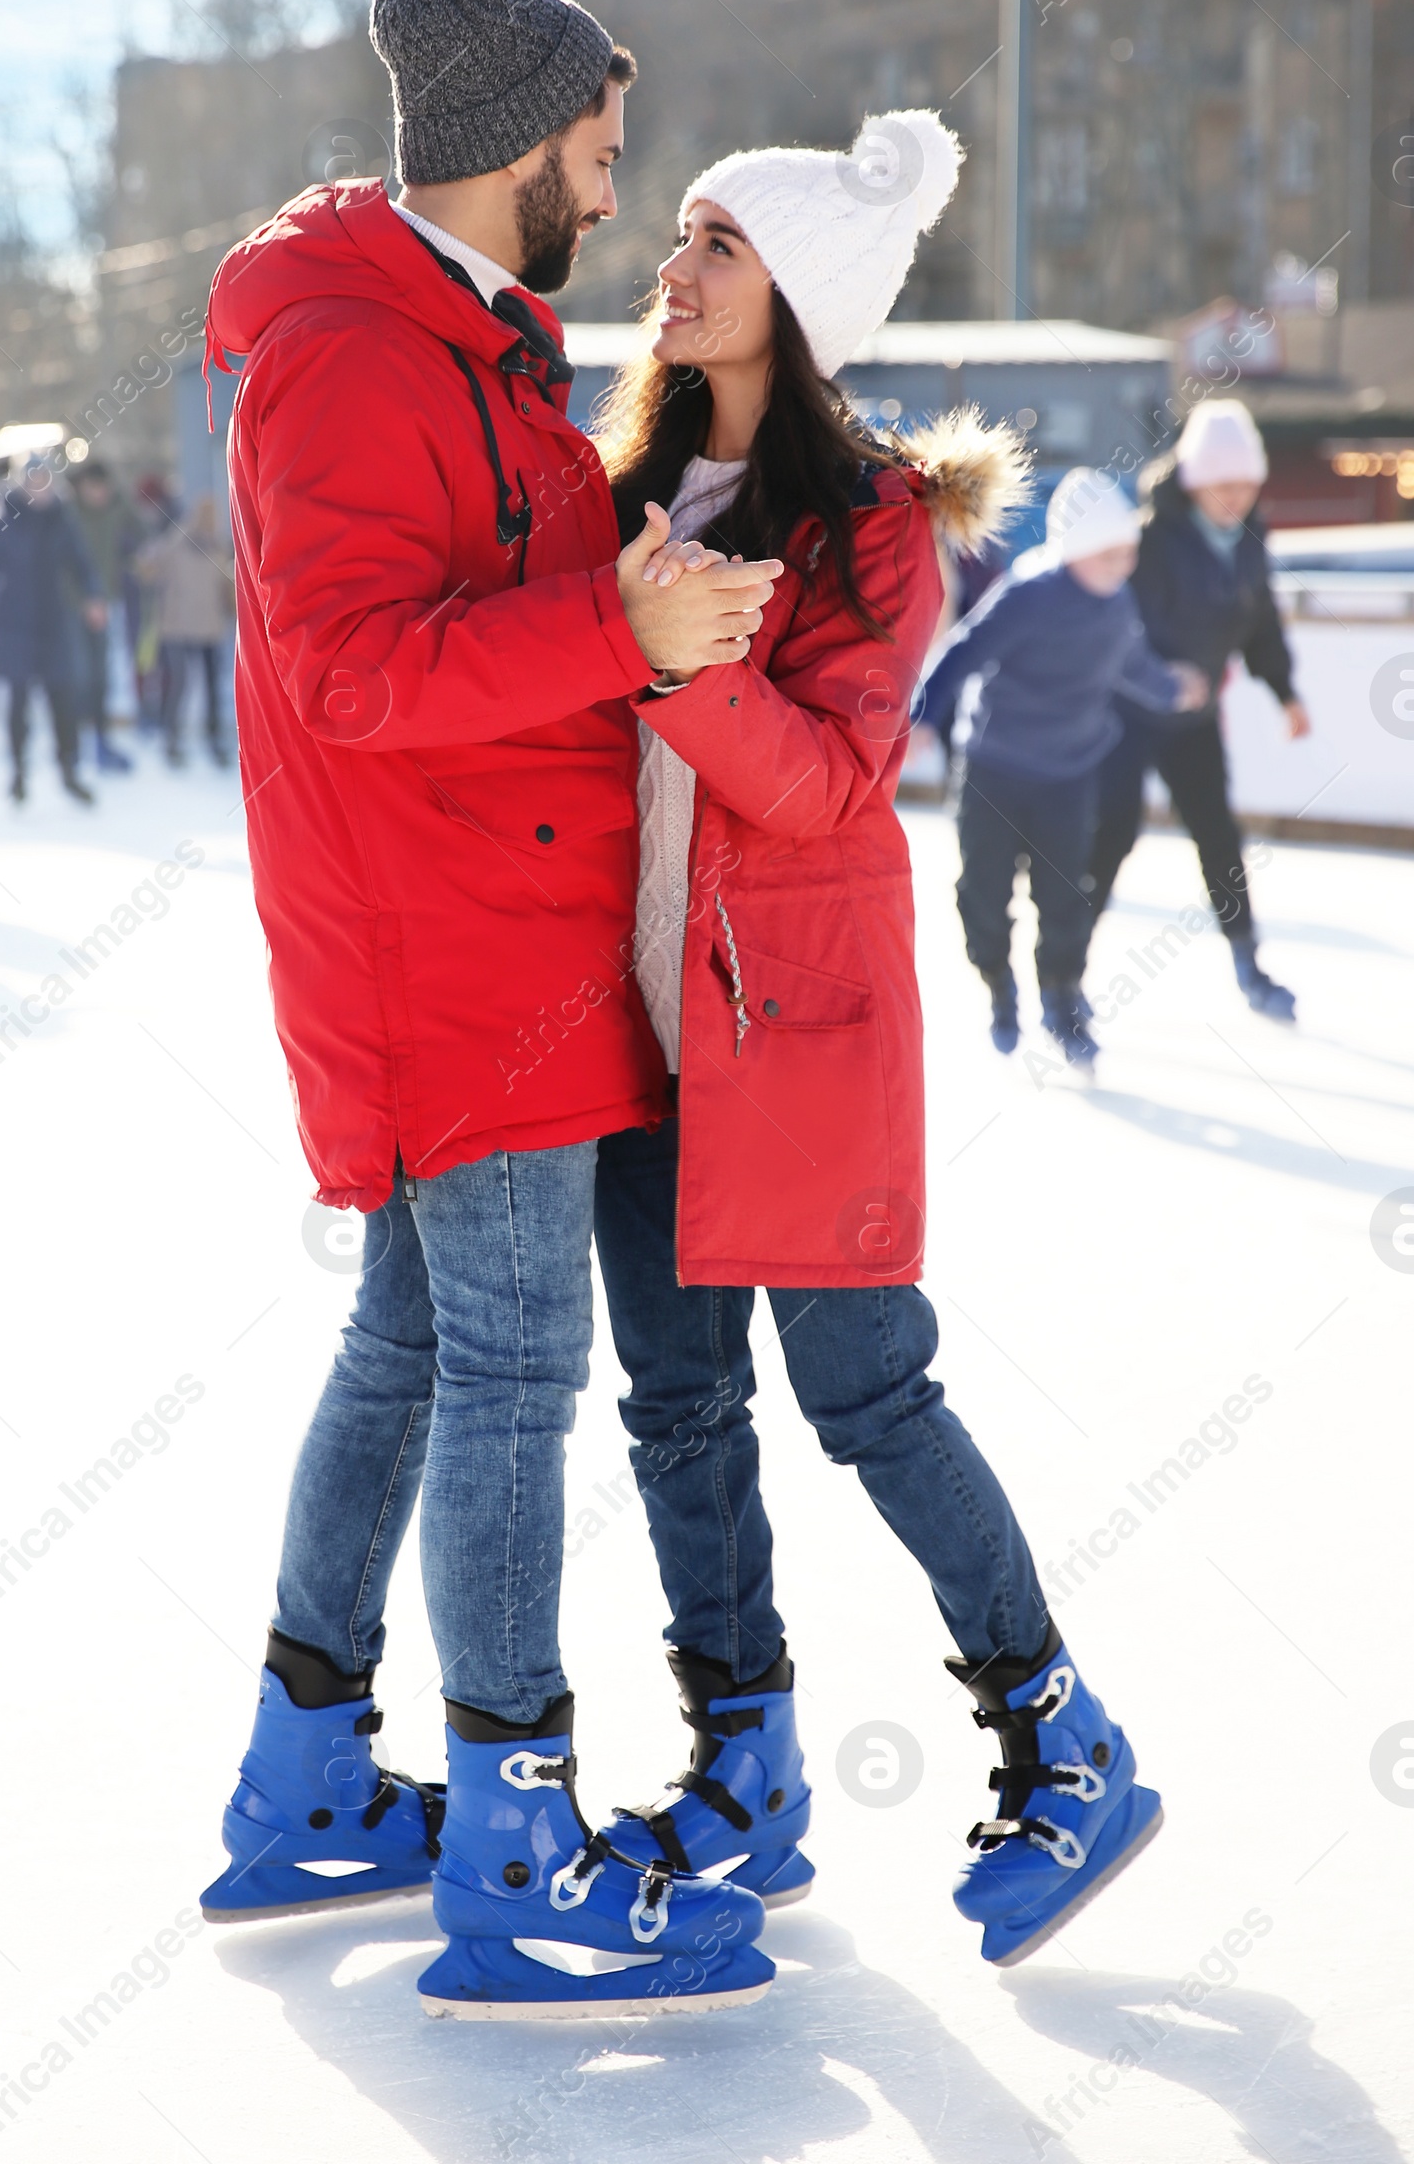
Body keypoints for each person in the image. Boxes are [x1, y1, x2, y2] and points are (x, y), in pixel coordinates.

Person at [201, 0, 788, 2020]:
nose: (612, 196)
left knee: (407, 1355)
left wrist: (630, 606)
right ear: (517, 148)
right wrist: (622, 629)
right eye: (600, 157)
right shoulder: (360, 357)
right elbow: (358, 671)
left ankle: (304, 1781)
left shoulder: (456, 341)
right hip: (449, 954)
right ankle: (520, 1841)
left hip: (491, 925)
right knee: (515, 1376)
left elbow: (489, 616)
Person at [584, 121, 1163, 1970]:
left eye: (719, 244)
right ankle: (743, 1764)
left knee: (872, 1401)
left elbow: (833, 783)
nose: (675, 268)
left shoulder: (873, 527)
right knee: (677, 1414)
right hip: (638, 1043)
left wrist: (686, 660)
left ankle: (1060, 1739)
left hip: (800, 1043)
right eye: (675, 233)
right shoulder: (627, 491)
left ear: (802, 302)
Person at [916, 468, 1207, 1064]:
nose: (1121, 565)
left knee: (1066, 897)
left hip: (1070, 775)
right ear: (1075, 548)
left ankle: (1061, 997)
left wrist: (1175, 690)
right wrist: (921, 718)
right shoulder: (1028, 595)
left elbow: (1133, 665)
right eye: (1108, 553)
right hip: (994, 771)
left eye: (1128, 552)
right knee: (984, 894)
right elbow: (963, 652)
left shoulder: (1117, 604)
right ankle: (998, 983)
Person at [1087, 398, 1308, 1019]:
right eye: (1223, 484)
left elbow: (1261, 621)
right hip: (1127, 714)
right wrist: (1162, 677)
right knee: (1112, 834)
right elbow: (1122, 624)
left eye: (1246, 483)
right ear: (1195, 481)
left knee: (1218, 835)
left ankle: (1248, 963)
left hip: (1195, 717)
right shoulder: (1152, 536)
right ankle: (1065, 972)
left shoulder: (1249, 538)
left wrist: (1285, 691)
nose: (1236, 497)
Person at [0, 461, 101, 804]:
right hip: (14, 624)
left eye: (45, 482)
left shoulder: (62, 520)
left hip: (54, 622)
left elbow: (82, 564)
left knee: (63, 700)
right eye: (34, 482)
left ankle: (69, 770)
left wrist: (94, 597)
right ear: (23, 485)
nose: (40, 488)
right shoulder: (3, 521)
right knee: (18, 702)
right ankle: (18, 773)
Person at [133, 495, 235, 764]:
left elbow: (228, 591)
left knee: (211, 686)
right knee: (179, 684)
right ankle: (172, 738)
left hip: (209, 628)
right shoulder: (176, 542)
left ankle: (212, 738)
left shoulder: (219, 548)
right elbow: (148, 570)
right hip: (178, 627)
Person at [68, 457, 140, 772]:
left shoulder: (115, 510)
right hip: (71, 609)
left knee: (100, 677)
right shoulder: (67, 514)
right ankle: (70, 746)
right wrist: (84, 601)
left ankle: (100, 743)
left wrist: (122, 496)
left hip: (105, 605)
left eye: (105, 489)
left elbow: (144, 530)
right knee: (75, 678)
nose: (101, 495)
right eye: (95, 489)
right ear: (82, 487)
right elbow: (60, 565)